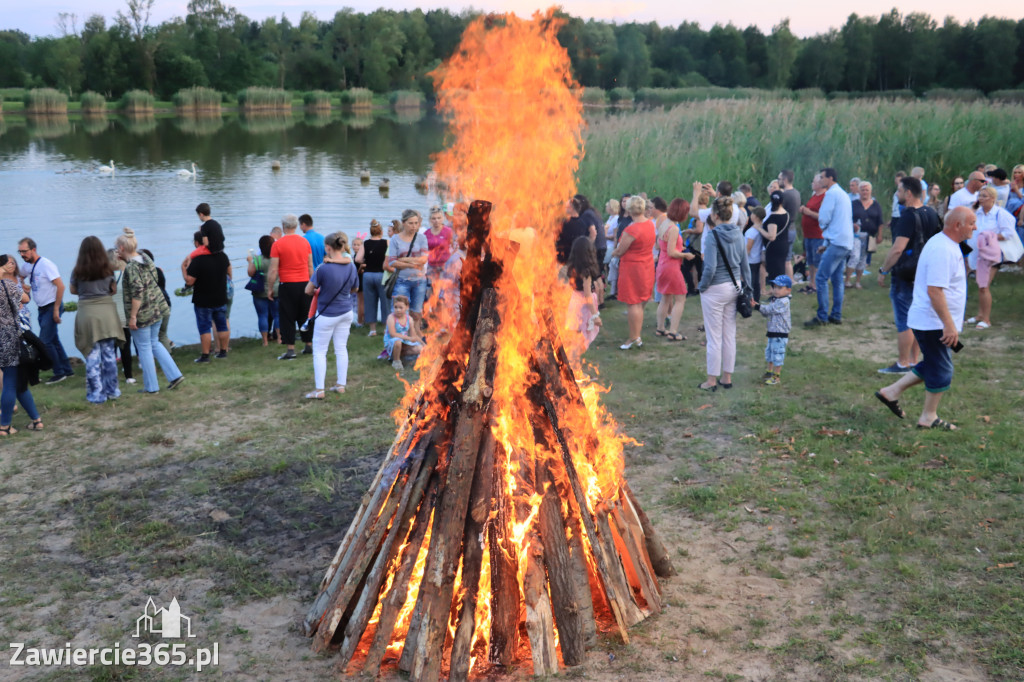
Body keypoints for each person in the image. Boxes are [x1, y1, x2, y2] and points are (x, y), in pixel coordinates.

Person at [874, 207, 976, 430]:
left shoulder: (946, 244)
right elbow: (935, 291)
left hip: (935, 321)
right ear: (957, 225)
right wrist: (948, 325)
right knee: (942, 369)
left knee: (933, 363)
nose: (975, 227)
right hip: (933, 322)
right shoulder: (942, 249)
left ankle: (890, 392)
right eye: (971, 223)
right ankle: (928, 417)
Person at [876, 177, 939, 374]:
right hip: (923, 273)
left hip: (905, 273)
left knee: (904, 319)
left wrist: (883, 270)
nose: (897, 194)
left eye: (899, 191)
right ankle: (913, 359)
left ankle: (903, 363)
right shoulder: (932, 213)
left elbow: (897, 249)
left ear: (909, 193)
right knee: (917, 317)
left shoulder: (908, 216)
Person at [117, 228, 184, 394]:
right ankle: (175, 375)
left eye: (118, 247)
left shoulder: (132, 268)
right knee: (154, 343)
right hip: (156, 309)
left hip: (143, 314)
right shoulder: (145, 259)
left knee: (144, 347)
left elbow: (137, 293)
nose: (116, 250)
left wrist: (132, 317)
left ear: (123, 249)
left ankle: (151, 387)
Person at [697, 196, 750, 391]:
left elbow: (709, 268)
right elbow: (745, 265)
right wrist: (749, 288)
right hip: (734, 286)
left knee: (714, 337)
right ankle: (727, 377)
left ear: (715, 215)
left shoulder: (712, 236)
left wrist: (701, 286)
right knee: (729, 334)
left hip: (715, 289)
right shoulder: (739, 233)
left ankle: (711, 381)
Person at [303, 232, 359, 399]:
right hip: (346, 312)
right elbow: (355, 289)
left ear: (327, 248)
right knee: (341, 348)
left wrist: (320, 291)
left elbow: (308, 290)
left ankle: (320, 390)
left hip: (327, 314)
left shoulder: (322, 268)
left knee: (320, 351)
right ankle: (341, 385)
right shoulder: (351, 266)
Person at [69, 236, 124, 404]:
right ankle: (112, 391)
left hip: (87, 313)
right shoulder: (108, 269)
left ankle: (96, 395)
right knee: (109, 355)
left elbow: (73, 290)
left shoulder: (77, 271)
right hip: (106, 313)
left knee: (92, 357)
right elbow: (112, 290)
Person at [17, 237, 74, 383]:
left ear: (33, 250)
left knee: (45, 341)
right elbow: (19, 275)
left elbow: (61, 286)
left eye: (25, 251)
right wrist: (23, 284)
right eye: (20, 252)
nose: (22, 255)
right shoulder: (27, 265)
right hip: (42, 308)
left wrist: (56, 310)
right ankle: (67, 370)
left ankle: (58, 372)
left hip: (52, 306)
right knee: (54, 340)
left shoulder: (46, 265)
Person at [1, 254, 44, 435]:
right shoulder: (7, 285)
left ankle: (36, 420)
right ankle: (4, 426)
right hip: (11, 336)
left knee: (17, 382)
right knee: (14, 382)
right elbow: (25, 299)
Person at [805, 168, 854, 327]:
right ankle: (836, 314)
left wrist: (825, 233)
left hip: (837, 242)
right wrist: (826, 244)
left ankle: (822, 316)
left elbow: (825, 218)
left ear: (830, 178)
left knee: (821, 278)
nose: (820, 180)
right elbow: (839, 221)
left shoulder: (831, 194)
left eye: (822, 177)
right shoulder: (843, 194)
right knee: (837, 279)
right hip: (844, 241)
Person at [967, 186, 1017, 329]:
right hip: (977, 254)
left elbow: (1008, 233)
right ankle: (980, 314)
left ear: (993, 199)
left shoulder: (1000, 214)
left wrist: (990, 237)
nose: (981, 199)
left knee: (984, 286)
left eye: (984, 196)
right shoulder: (977, 213)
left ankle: (986, 319)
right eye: (980, 196)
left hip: (990, 255)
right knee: (980, 284)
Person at [609, 195, 655, 350]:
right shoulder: (650, 224)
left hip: (633, 268)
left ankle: (634, 337)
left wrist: (614, 253)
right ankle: (637, 335)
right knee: (640, 301)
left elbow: (621, 250)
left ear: (628, 210)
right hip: (647, 265)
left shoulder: (631, 229)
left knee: (633, 302)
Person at [267, 214, 314, 360]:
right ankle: (309, 345)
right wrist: (312, 283)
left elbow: (273, 269)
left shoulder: (278, 244)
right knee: (305, 314)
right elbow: (310, 265)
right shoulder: (305, 242)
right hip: (305, 283)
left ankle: (290, 349)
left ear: (283, 226)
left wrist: (270, 288)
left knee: (287, 316)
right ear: (295, 226)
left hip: (287, 284)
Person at [183, 231, 231, 362]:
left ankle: (205, 355)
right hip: (220, 297)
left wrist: (183, 268)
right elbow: (229, 273)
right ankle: (223, 351)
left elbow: (189, 281)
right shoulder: (223, 257)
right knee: (222, 325)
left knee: (204, 328)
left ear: (198, 243)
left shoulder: (198, 260)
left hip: (203, 300)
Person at [654, 198, 693, 341]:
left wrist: (677, 248)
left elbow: (660, 246)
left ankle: (660, 328)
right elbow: (672, 252)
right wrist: (685, 254)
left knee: (665, 298)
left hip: (662, 265)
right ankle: (673, 331)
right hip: (671, 266)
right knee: (681, 298)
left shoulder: (664, 224)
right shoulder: (675, 228)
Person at [387, 209, 429, 326]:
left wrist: (404, 259)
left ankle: (415, 337)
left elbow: (424, 259)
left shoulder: (421, 238)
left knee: (416, 312)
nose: (414, 226)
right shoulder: (395, 239)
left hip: (419, 280)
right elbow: (392, 262)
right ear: (403, 223)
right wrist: (413, 264)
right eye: (411, 223)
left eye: (416, 223)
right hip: (401, 281)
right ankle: (397, 335)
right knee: (399, 310)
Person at [563, 236, 602, 363]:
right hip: (583, 306)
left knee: (575, 333)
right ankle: (574, 365)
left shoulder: (572, 268)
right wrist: (595, 315)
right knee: (580, 337)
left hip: (574, 300)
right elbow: (587, 295)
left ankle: (573, 363)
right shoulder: (586, 272)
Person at [753, 274, 792, 385]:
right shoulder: (775, 300)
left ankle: (776, 376)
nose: (776, 290)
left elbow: (771, 310)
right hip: (772, 332)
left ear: (788, 290)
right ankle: (769, 372)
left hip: (780, 333)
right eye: (774, 287)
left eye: (779, 288)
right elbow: (767, 312)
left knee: (778, 354)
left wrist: (757, 306)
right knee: (770, 353)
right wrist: (758, 306)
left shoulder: (784, 301)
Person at [356, 219, 390, 337]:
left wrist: (366, 261)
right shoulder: (386, 243)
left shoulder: (365, 243)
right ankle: (386, 328)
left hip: (368, 275)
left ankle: (372, 330)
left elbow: (357, 259)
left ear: (371, 231)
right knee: (385, 302)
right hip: (382, 274)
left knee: (370, 302)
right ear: (381, 231)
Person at [107, 249, 135, 384]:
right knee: (126, 348)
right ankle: (129, 376)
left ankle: (112, 376)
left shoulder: (106, 279)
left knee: (110, 350)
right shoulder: (125, 275)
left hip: (111, 319)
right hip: (124, 317)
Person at [847, 181, 883, 289]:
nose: (865, 192)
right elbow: (847, 218)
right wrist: (852, 224)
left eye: (867, 190)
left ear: (870, 191)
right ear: (859, 191)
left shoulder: (876, 205)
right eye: (862, 190)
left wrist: (880, 235)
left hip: (870, 236)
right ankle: (847, 280)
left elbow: (880, 221)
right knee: (855, 256)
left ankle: (858, 281)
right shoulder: (854, 204)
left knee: (863, 259)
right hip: (856, 235)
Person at [799, 173, 826, 293]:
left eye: (814, 182)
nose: (812, 184)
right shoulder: (814, 195)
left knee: (817, 260)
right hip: (808, 234)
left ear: (820, 184)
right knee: (810, 260)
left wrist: (808, 212)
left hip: (817, 234)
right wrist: (804, 210)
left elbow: (823, 217)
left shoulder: (824, 197)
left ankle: (818, 284)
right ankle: (811, 283)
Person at [247, 235, 277, 346]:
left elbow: (250, 273)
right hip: (275, 289)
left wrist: (250, 261)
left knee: (262, 315)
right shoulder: (276, 258)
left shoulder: (258, 259)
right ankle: (279, 338)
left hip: (260, 291)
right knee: (277, 315)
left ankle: (265, 341)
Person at [384, 295, 422, 372]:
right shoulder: (391, 317)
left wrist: (424, 345)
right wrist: (409, 338)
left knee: (420, 348)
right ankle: (396, 361)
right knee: (398, 342)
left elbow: (413, 335)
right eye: (396, 307)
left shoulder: (409, 319)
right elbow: (392, 334)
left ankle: (402, 357)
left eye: (400, 307)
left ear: (407, 307)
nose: (398, 310)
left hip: (404, 341)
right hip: (392, 341)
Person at [759, 190, 791, 281]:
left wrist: (759, 229)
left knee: (774, 271)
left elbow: (771, 236)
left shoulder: (773, 217)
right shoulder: (786, 214)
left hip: (774, 248)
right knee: (780, 269)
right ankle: (780, 290)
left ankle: (777, 290)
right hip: (784, 245)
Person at [424, 206, 453, 290]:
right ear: (430, 220)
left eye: (438, 218)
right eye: (434, 218)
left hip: (445, 266)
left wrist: (451, 262)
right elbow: (424, 251)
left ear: (442, 218)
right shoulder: (426, 233)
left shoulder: (448, 231)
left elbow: (454, 247)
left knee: (444, 291)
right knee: (432, 290)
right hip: (431, 266)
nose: (436, 221)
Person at [745, 207, 766, 302]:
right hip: (757, 258)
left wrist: (742, 259)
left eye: (752, 213)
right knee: (756, 282)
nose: (750, 215)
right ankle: (756, 300)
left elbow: (748, 248)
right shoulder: (762, 228)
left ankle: (750, 301)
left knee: (750, 282)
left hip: (750, 259)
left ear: (756, 217)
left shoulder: (752, 231)